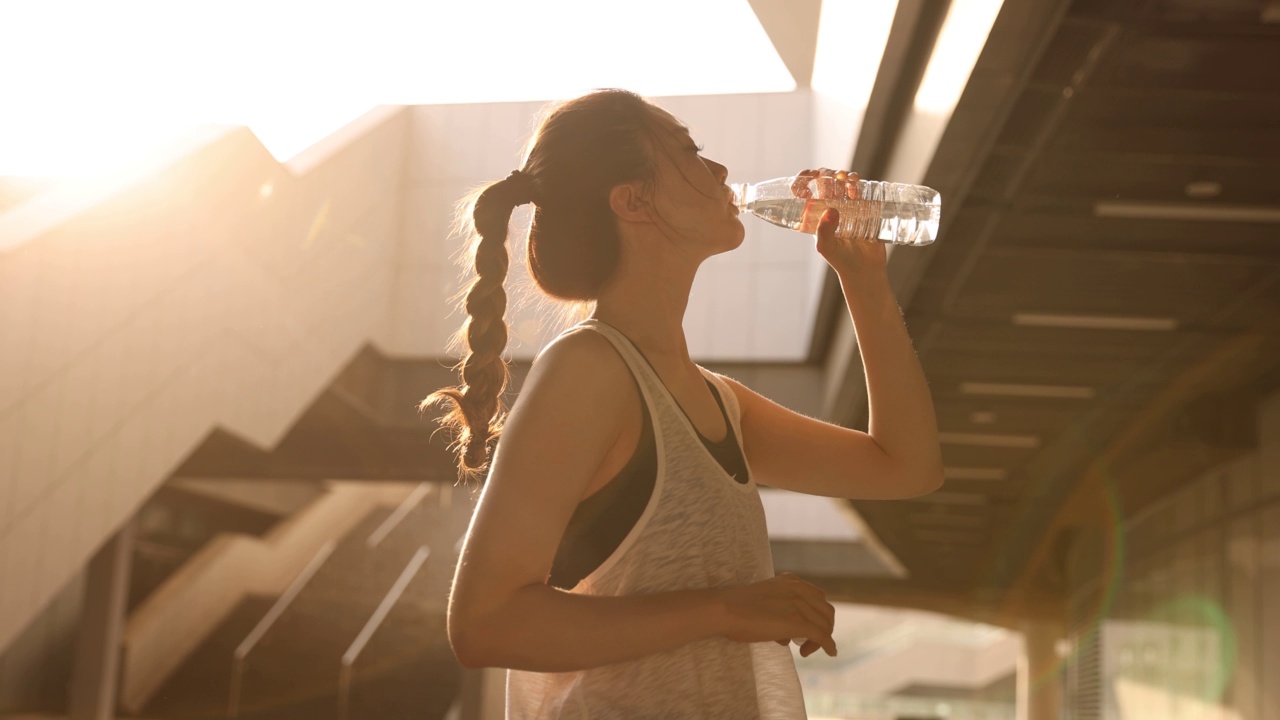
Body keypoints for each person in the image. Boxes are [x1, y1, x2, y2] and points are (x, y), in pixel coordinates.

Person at [424, 89, 944, 719]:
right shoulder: (589, 367)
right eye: (690, 151)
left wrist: (864, 282)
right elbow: (486, 624)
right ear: (632, 200)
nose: (720, 171)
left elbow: (906, 468)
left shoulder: (717, 402)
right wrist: (729, 610)